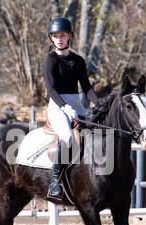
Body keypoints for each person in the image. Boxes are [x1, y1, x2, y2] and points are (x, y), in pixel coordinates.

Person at [43, 16, 100, 200]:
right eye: (56, 36)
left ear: (70, 36)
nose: (59, 39)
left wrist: (100, 105)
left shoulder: (78, 60)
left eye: (63, 35)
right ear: (51, 38)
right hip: (57, 106)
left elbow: (87, 87)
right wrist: (65, 107)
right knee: (67, 137)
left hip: (77, 104)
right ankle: (55, 182)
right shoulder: (50, 60)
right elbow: (51, 89)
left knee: (96, 131)